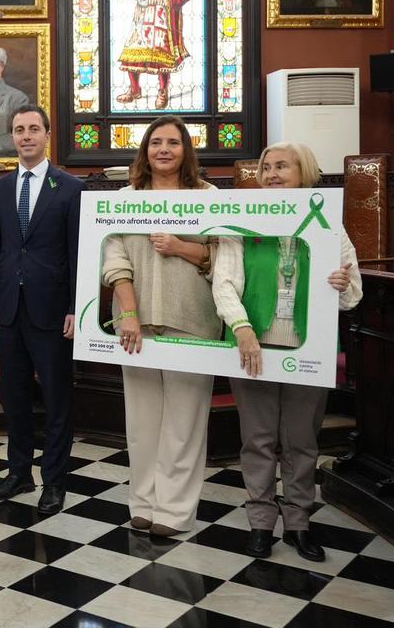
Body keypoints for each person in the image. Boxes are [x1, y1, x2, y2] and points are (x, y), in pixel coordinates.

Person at [212, 142, 363, 562]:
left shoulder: (330, 223)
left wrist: (339, 284)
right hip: (251, 345)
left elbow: (352, 296)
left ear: (306, 172)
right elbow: (224, 282)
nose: (272, 173)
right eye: (266, 167)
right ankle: (260, 522)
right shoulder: (244, 219)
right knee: (257, 439)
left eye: (282, 166)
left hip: (308, 347)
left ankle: (298, 523)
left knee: (301, 440)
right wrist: (241, 328)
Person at [101, 115, 242, 536]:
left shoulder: (209, 195)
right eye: (156, 142)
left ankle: (175, 511)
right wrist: (128, 313)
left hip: (192, 318)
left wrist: (182, 247)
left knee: (184, 420)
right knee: (142, 421)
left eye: (173, 143)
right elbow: (114, 258)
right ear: (145, 150)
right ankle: (143, 503)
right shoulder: (127, 197)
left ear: (186, 151)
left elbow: (228, 261)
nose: (164, 149)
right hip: (135, 323)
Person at [0, 105, 83, 515]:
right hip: (8, 309)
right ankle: (19, 471)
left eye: (33, 129)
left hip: (53, 310)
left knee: (57, 398)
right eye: (19, 130)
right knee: (14, 397)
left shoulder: (71, 187)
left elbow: (78, 254)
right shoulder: (2, 188)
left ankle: (54, 480)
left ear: (47, 135)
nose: (26, 136)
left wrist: (77, 307)